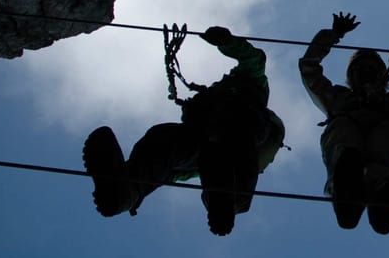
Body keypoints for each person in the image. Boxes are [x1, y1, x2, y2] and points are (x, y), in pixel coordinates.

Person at [82, 26, 286, 236]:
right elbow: (170, 167)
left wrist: (228, 42)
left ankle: (225, 200)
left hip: (242, 128)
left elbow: (254, 60)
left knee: (224, 150)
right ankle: (125, 191)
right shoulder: (206, 115)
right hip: (211, 142)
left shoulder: (250, 85)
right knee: (164, 139)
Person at [299, 12, 389, 234]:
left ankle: (383, 201)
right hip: (346, 131)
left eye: (371, 68)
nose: (365, 71)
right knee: (346, 141)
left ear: (381, 75)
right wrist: (333, 35)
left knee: (385, 134)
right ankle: (348, 192)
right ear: (351, 76)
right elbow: (309, 67)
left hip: (384, 134)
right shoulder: (338, 97)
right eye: (359, 68)